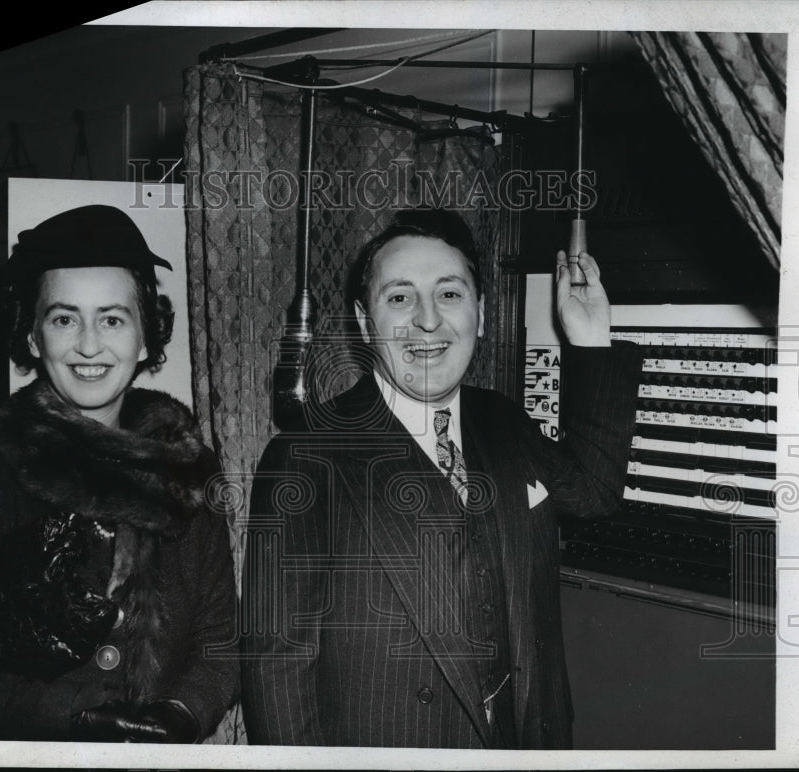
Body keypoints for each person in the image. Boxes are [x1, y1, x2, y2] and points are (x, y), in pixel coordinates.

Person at [240, 208, 643, 749]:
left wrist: (589, 339)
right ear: (365, 322)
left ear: (480, 311)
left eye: (450, 294)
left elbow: (593, 491)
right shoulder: (305, 456)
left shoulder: (502, 419)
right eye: (400, 297)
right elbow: (278, 675)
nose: (428, 320)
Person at [0, 205, 238, 742]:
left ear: (146, 337)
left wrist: (181, 713)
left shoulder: (187, 471)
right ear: (31, 336)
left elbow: (220, 642)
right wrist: (65, 715)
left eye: (112, 318)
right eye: (64, 318)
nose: (89, 345)